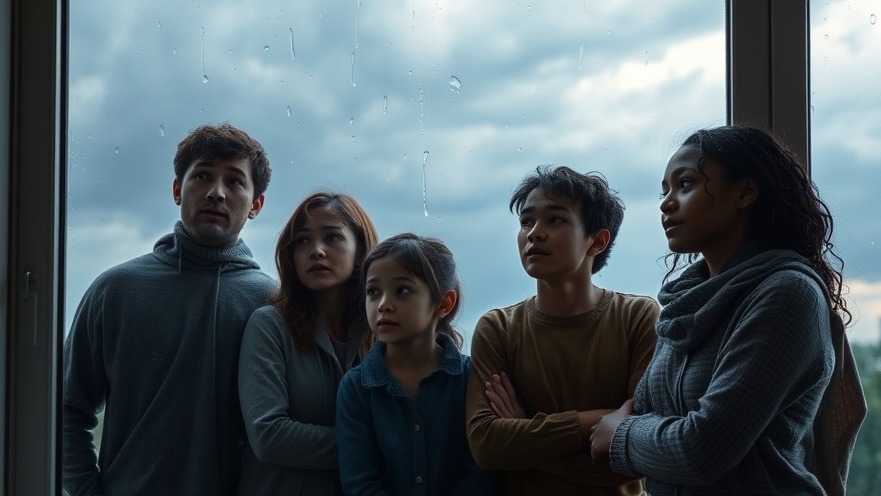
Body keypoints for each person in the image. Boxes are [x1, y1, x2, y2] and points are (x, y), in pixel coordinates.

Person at [589, 125, 867, 495]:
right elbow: (642, 412)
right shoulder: (685, 305)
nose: (666, 203)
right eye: (665, 190)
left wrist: (619, 435)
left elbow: (702, 450)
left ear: (745, 191)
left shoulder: (787, 293)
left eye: (685, 184)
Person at [62, 123, 275, 496]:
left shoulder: (272, 302)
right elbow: (65, 412)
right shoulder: (114, 290)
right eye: (203, 176)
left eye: (235, 182)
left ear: (256, 205)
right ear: (178, 190)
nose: (216, 193)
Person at [465, 166, 660, 495]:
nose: (534, 233)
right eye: (526, 221)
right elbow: (487, 446)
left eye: (555, 219)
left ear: (597, 240)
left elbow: (642, 454)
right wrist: (596, 421)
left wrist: (526, 434)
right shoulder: (497, 328)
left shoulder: (637, 317)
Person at [237, 191, 379, 496]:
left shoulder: (383, 331)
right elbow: (269, 435)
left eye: (333, 238)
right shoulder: (270, 325)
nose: (316, 250)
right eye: (302, 241)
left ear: (360, 249)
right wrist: (377, 445)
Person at [336, 233, 498, 496]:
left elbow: (481, 472)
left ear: (444, 303)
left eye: (402, 290)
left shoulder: (472, 377)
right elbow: (360, 483)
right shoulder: (356, 388)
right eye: (373, 292)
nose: (384, 305)